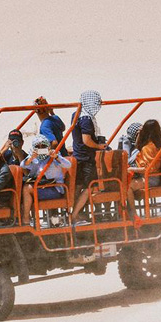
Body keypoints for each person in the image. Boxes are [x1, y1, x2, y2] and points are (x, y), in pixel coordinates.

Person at [71, 90, 107, 224]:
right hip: (86, 159)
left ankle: (74, 213)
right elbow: (86, 140)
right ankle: (74, 215)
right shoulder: (86, 119)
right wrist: (99, 146)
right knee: (88, 188)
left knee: (78, 187)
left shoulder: (76, 115)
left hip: (78, 157)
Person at [20, 135, 72, 226]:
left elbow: (68, 165)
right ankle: (29, 218)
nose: (41, 149)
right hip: (41, 186)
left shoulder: (54, 156)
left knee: (26, 189)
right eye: (38, 147)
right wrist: (31, 158)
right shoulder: (35, 158)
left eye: (43, 146)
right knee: (23, 189)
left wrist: (56, 157)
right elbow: (23, 165)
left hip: (54, 188)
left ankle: (26, 219)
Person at [126, 119, 161, 218]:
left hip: (150, 178)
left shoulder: (148, 148)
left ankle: (133, 214)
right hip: (151, 177)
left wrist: (131, 169)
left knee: (127, 187)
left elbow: (147, 169)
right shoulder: (155, 145)